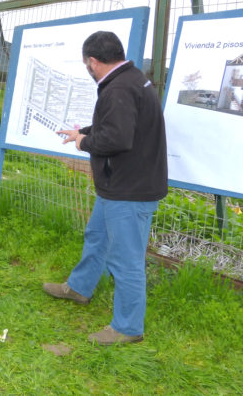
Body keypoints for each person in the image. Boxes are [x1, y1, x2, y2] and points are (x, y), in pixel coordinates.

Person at [44, 31, 168, 346]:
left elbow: (117, 139)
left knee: (126, 260)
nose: (88, 68)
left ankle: (128, 327)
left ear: (94, 62)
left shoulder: (119, 89)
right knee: (97, 237)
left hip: (129, 190)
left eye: (88, 63)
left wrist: (84, 141)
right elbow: (119, 125)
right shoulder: (130, 79)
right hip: (120, 185)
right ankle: (80, 287)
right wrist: (83, 130)